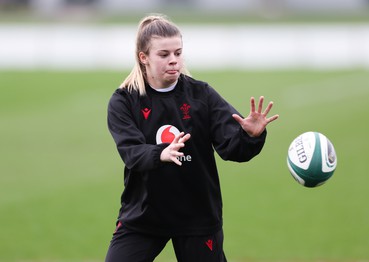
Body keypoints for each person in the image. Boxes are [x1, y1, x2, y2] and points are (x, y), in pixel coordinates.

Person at [105, 14, 279, 262]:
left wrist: (250, 136)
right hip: (144, 215)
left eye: (178, 52)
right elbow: (131, 151)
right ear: (143, 57)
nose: (173, 60)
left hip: (197, 215)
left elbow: (232, 149)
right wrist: (160, 153)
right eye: (164, 55)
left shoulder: (201, 94)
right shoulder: (125, 100)